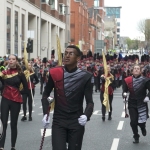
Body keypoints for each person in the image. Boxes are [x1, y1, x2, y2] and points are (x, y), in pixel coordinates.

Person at [41, 45, 94, 150]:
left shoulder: (85, 76)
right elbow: (45, 95)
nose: (67, 56)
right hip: (59, 120)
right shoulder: (55, 73)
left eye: (71, 54)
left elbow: (90, 102)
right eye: (65, 53)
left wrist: (86, 116)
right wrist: (45, 114)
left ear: (78, 58)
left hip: (76, 121)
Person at [0, 54, 28, 150]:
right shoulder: (3, 73)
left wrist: (19, 92)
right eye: (10, 59)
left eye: (13, 59)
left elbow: (26, 88)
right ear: (8, 61)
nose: (11, 60)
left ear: (16, 61)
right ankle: (1, 146)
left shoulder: (20, 74)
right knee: (3, 123)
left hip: (15, 101)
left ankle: (13, 146)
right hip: (5, 100)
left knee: (13, 124)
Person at [122, 64, 150, 143]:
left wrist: (148, 96)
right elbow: (124, 90)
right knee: (133, 121)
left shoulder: (145, 80)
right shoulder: (127, 80)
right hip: (132, 103)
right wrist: (124, 94)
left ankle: (143, 128)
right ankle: (136, 135)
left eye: (138, 69)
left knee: (141, 121)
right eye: (135, 69)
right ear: (132, 71)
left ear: (140, 71)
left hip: (142, 103)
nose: (136, 70)